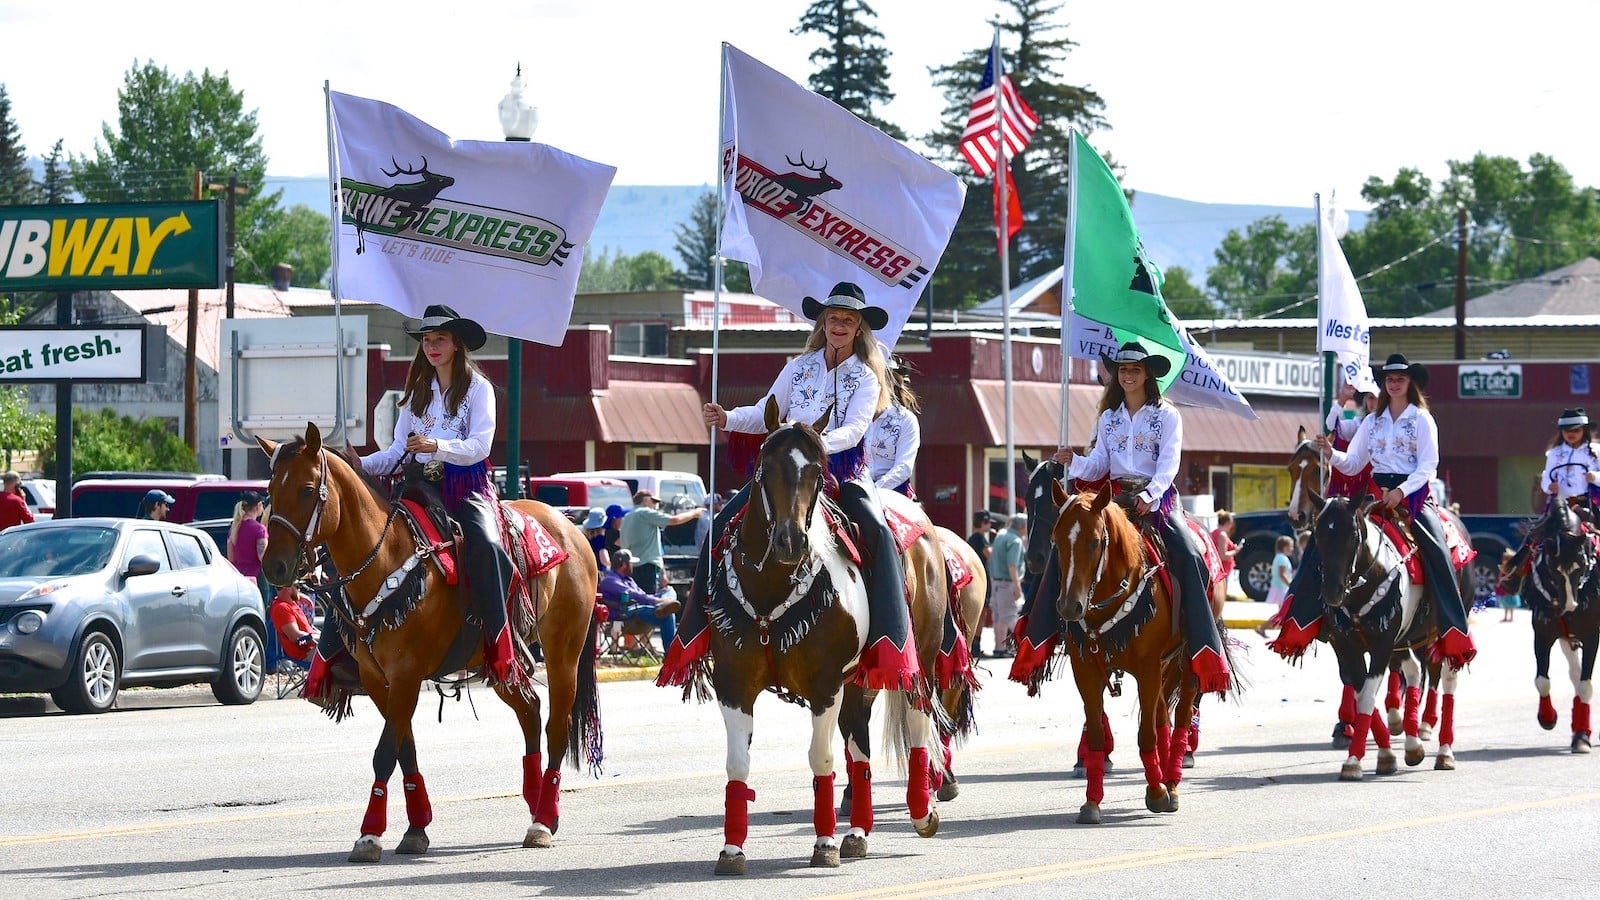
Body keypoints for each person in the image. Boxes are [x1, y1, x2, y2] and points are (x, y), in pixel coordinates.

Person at [675, 280, 920, 689]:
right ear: (823, 323)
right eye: (833, 318)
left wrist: (814, 441)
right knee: (720, 526)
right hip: (787, 468)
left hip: (842, 471)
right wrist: (728, 418)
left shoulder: (865, 376)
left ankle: (889, 638)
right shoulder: (798, 366)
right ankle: (699, 630)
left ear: (859, 328)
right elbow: (765, 411)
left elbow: (857, 430)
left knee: (878, 530)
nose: (839, 325)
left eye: (848, 320)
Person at [1054, 340, 1232, 692]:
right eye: (1122, 369)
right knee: (1070, 546)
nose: (1128, 375)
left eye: (1134, 369)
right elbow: (1100, 464)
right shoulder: (1109, 418)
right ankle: (1046, 634)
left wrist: (1151, 496)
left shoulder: (1167, 414)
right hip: (1116, 499)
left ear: (1148, 374)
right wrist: (1073, 460)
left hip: (1159, 499)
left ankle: (1200, 637)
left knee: (1189, 554)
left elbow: (1169, 463)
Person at [356, 304, 518, 683]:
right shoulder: (416, 392)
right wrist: (360, 464)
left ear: (457, 344)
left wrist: (437, 446)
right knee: (370, 543)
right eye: (427, 340)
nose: (432, 346)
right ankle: (336, 653)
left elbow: (481, 446)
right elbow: (398, 451)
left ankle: (499, 641)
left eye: (440, 339)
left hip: (464, 485)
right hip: (418, 485)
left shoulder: (479, 389)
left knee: (487, 544)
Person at [1318, 352, 1475, 669]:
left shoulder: (1421, 419)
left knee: (1437, 549)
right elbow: (1353, 463)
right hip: (1375, 494)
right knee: (1333, 537)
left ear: (1410, 382)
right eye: (1389, 378)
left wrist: (1401, 492)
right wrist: (1330, 453)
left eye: (1400, 378)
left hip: (1413, 495)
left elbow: (1429, 466)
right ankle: (1315, 618)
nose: (1394, 383)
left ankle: (1451, 624)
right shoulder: (1371, 421)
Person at [1499, 407, 1600, 596]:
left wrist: (1594, 477)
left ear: (1584, 430)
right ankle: (1515, 574)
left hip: (1589, 503)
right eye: (1567, 430)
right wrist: (1549, 486)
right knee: (1535, 536)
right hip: (1560, 505)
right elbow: (1546, 478)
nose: (1571, 434)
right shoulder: (1554, 454)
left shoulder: (1595, 451)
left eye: (1576, 430)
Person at [619, 489, 703, 595]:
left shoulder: (627, 517)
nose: (655, 505)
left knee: (635, 600)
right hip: (646, 566)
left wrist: (662, 572)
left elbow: (621, 542)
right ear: (644, 500)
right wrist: (694, 513)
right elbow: (674, 520)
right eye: (653, 501)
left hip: (630, 566)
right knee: (648, 601)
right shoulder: (645, 512)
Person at [600, 548, 681, 648]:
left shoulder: (628, 579)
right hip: (624, 614)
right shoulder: (610, 580)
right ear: (624, 565)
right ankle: (670, 654)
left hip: (638, 609)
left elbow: (642, 595)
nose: (632, 566)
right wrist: (657, 600)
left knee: (669, 590)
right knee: (668, 615)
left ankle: (662, 606)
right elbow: (634, 595)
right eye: (631, 563)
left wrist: (659, 598)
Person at [866, 354, 921, 497]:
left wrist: (874, 491)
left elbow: (903, 467)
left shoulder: (905, 420)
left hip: (891, 492)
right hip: (848, 488)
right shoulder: (848, 416)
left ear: (891, 383)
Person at [987, 514, 1026, 658]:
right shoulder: (1015, 541)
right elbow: (1012, 565)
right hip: (1008, 583)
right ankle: (1021, 646)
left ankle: (999, 647)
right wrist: (1017, 586)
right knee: (1010, 617)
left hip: (996, 582)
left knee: (998, 618)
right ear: (1022, 527)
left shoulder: (1001, 535)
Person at [227, 491, 270, 600]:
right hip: (256, 579)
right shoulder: (259, 529)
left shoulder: (234, 529)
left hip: (238, 578)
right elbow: (263, 557)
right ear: (258, 506)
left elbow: (231, 557)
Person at [966, 510, 997, 656]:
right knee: (981, 612)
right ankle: (976, 645)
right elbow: (989, 554)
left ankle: (974, 643)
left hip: (973, 576)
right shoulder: (980, 538)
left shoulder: (972, 538)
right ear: (984, 522)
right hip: (980, 577)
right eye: (988, 523)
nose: (990, 525)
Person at [269, 583, 318, 663]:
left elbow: (285, 592)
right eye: (298, 586)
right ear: (288, 588)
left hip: (312, 646)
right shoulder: (282, 608)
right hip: (305, 653)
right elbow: (296, 637)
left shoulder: (288, 602)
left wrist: (301, 596)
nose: (299, 590)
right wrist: (320, 637)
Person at [1259, 535, 1295, 637]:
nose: (1292, 549)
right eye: (1290, 547)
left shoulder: (1279, 557)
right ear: (1284, 547)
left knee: (1284, 612)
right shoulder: (1282, 559)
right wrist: (1291, 585)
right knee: (1284, 612)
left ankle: (1280, 631)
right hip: (1281, 588)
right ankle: (1263, 628)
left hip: (1279, 588)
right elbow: (1282, 574)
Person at [1209, 510, 1239, 619]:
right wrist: (1236, 551)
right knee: (1220, 597)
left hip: (1217, 569)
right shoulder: (1222, 535)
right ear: (1228, 523)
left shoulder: (1214, 532)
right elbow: (1223, 555)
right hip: (1222, 570)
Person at [1498, 548, 1522, 622]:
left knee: (1511, 604)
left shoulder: (1512, 569)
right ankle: (1505, 617)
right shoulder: (1503, 568)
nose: (1504, 561)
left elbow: (1512, 577)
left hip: (1510, 588)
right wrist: (1499, 583)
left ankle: (1511, 617)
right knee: (1505, 604)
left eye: (1506, 559)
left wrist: (1503, 579)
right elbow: (1500, 576)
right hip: (1504, 588)